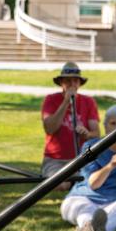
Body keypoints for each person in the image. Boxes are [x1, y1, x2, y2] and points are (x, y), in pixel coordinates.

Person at [60, 104, 116, 231]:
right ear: (105, 125)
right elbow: (93, 184)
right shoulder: (90, 147)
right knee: (79, 208)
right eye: (113, 123)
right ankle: (94, 229)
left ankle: (93, 230)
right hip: (86, 197)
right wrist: (111, 165)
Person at [41, 62, 100, 190]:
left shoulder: (88, 101)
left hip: (82, 157)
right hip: (56, 159)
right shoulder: (51, 100)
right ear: (61, 82)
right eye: (68, 81)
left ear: (80, 83)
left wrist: (86, 133)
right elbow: (50, 129)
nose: (72, 85)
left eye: (75, 81)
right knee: (61, 185)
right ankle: (74, 182)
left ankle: (77, 181)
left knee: (97, 181)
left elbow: (96, 134)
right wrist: (66, 102)